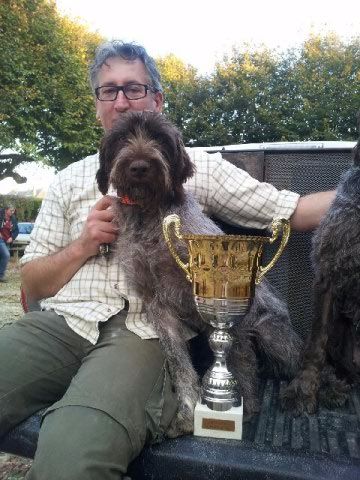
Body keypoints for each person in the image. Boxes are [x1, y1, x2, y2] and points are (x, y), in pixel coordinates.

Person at [0, 41, 335, 480]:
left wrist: (352, 198)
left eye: (133, 88)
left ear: (157, 99)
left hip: (142, 332)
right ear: (97, 104)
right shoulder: (69, 179)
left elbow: (291, 210)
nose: (120, 100)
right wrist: (83, 244)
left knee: (73, 452)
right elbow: (33, 283)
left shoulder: (192, 164)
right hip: (64, 320)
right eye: (108, 90)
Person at [0, 205, 18, 282]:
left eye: (13, 211)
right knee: (6, 255)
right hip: (0, 239)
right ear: (6, 210)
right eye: (11, 210)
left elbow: (16, 230)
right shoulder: (0, 215)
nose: (12, 212)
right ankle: (1, 275)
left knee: (3, 257)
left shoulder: (13, 218)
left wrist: (12, 237)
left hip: (7, 241)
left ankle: (1, 275)